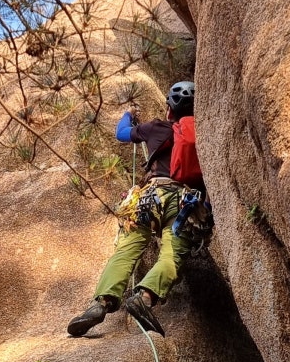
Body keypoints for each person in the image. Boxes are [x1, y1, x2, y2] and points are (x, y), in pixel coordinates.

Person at [67, 80, 208, 338]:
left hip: (148, 198)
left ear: (169, 110)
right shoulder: (204, 136)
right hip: (183, 203)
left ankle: (100, 303)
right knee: (171, 255)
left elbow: (121, 133)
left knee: (127, 250)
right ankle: (144, 297)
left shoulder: (156, 127)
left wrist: (129, 115)